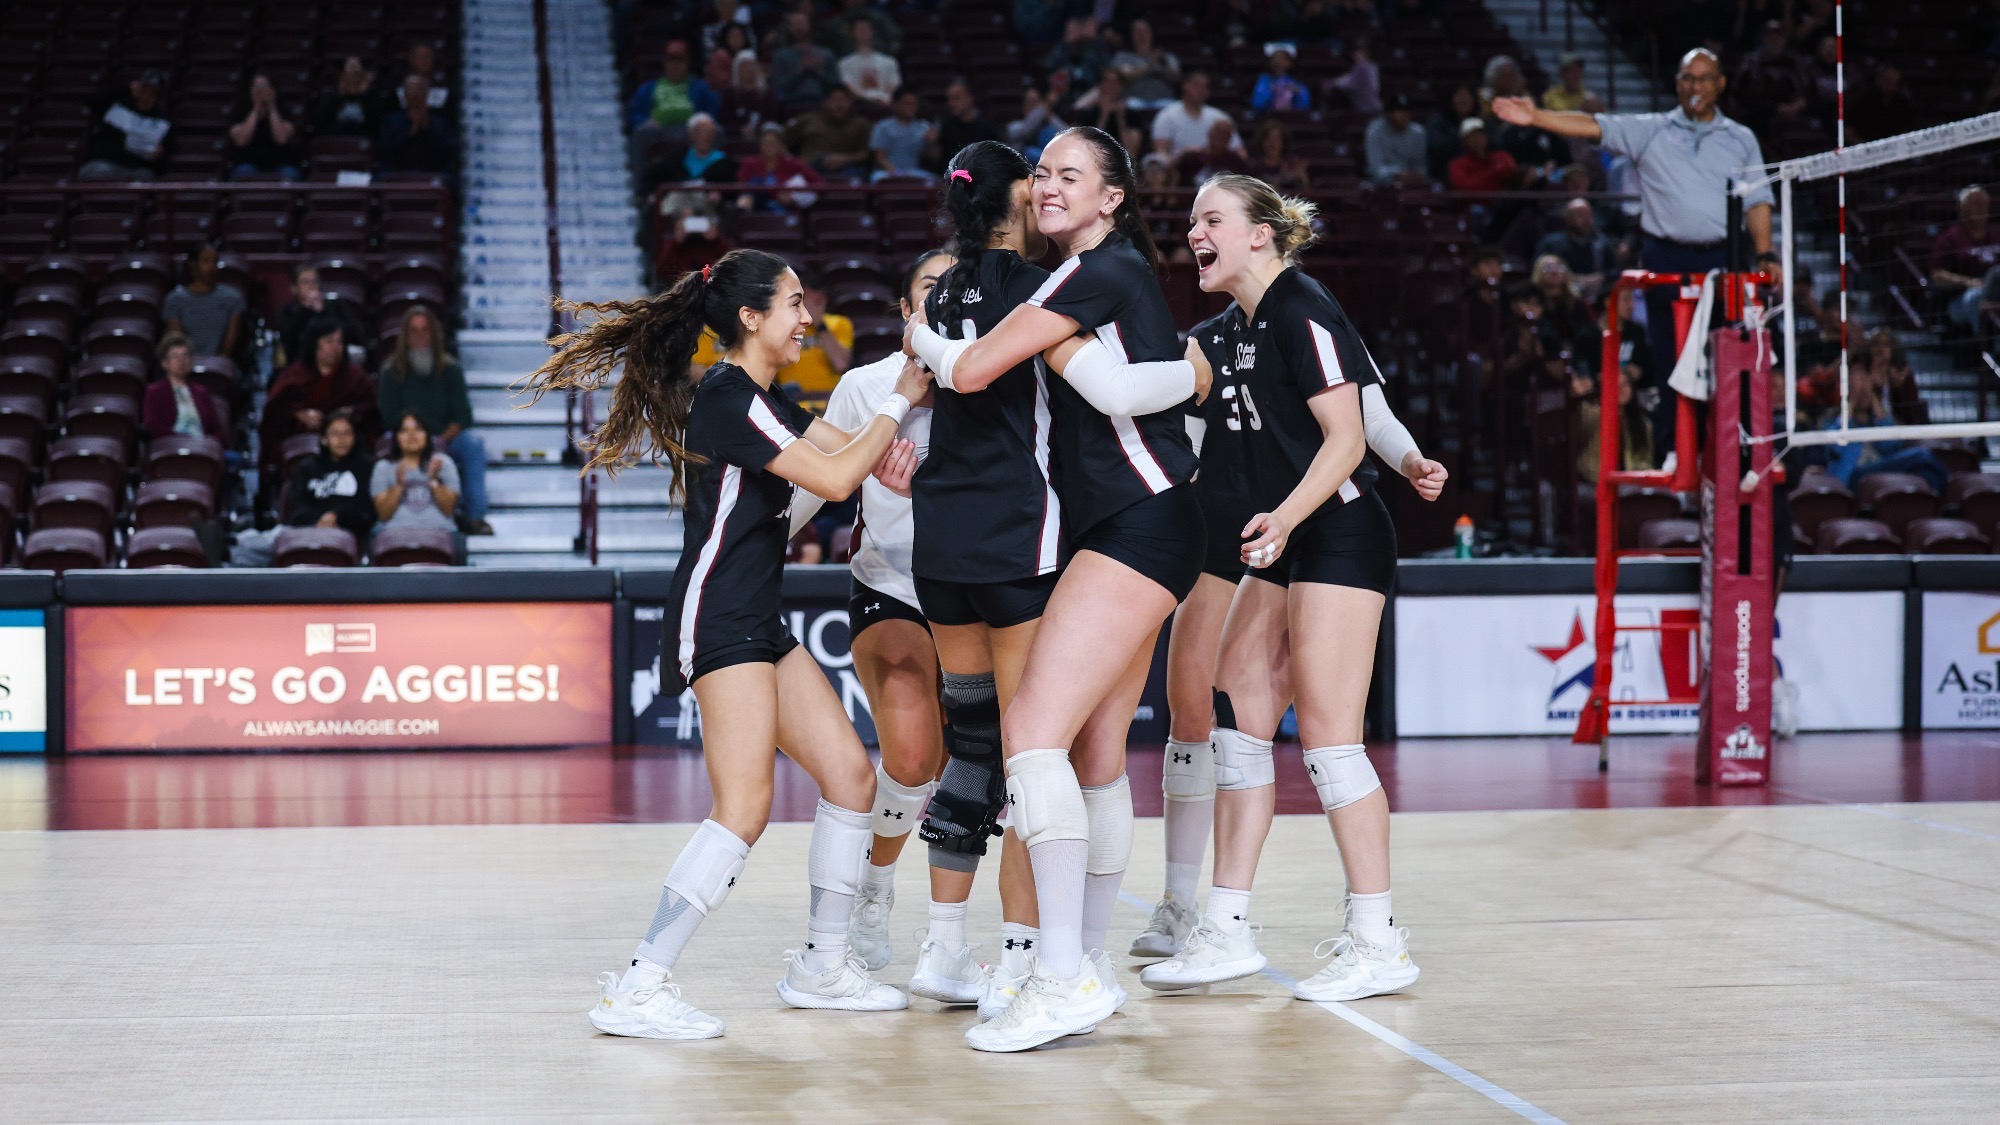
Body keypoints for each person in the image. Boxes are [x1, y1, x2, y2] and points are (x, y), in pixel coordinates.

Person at [521, 249, 928, 1037]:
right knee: (743, 808)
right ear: (750, 318)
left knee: (850, 776)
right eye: (794, 304)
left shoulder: (762, 397)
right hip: (717, 616)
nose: (807, 318)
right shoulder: (728, 393)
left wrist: (889, 461)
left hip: (756, 616)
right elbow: (838, 479)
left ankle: (822, 965)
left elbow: (842, 461)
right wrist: (901, 400)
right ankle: (639, 984)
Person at [906, 127, 1202, 1052]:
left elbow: (973, 368)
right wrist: (1190, 369)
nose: (1048, 186)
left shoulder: (1091, 274)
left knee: (1032, 732)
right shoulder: (1083, 281)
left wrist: (916, 327)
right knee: (1098, 753)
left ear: (1113, 197)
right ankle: (1086, 962)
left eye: (1072, 175)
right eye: (1041, 172)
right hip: (1133, 523)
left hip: (1138, 523)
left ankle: (1061, 970)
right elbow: (1111, 383)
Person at [1132, 213, 1448, 964]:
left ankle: (1377, 940)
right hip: (1275, 533)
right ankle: (1224, 925)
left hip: (1333, 528)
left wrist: (1405, 459)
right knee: (1234, 716)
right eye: (1191, 222)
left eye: (1212, 219)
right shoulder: (1221, 332)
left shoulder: (1304, 306)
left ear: (1262, 234)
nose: (1194, 233)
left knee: (1333, 744)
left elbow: (1353, 426)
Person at [901, 144, 1069, 1018]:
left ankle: (941, 948)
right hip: (1014, 535)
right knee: (1032, 751)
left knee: (973, 744)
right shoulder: (1035, 287)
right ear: (1014, 196)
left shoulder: (937, 291)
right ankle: (1019, 962)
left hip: (940, 545)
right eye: (1035, 182)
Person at [1493, 46, 1776, 464]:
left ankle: (1731, 454)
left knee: (1727, 357)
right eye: (1688, 78)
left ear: (1720, 84)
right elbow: (1592, 126)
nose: (1696, 86)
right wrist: (1535, 116)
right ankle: (1673, 451)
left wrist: (1766, 254)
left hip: (1722, 258)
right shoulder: (1652, 130)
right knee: (1668, 356)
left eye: (1704, 78)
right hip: (1665, 255)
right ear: (1678, 84)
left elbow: (1757, 203)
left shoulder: (1741, 139)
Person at [379, 306, 491, 535]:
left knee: (473, 444)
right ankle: (386, 513)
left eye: (425, 330)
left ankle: (475, 517)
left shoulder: (451, 370)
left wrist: (439, 440)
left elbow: (463, 416)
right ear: (405, 336)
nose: (420, 336)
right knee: (384, 441)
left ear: (434, 334)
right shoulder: (391, 372)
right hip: (406, 438)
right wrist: (415, 438)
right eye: (414, 331)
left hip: (445, 438)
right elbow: (389, 417)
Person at [262, 317, 378, 479]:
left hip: (347, 440)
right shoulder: (294, 376)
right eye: (329, 341)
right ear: (315, 343)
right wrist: (298, 414)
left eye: (339, 342)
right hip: (301, 440)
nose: (335, 347)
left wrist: (350, 413)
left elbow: (372, 410)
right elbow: (274, 412)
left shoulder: (355, 377)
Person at [371, 412, 465, 561]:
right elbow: (383, 514)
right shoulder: (383, 467)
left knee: (458, 543)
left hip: (440, 531)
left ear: (427, 435)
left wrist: (434, 481)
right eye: (404, 430)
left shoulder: (443, 463)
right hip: (393, 534)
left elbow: (448, 509)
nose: (411, 435)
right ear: (396, 437)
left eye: (418, 429)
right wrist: (399, 485)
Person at [287, 410, 378, 541]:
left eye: (347, 433)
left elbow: (366, 510)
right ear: (324, 438)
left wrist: (337, 517)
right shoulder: (306, 467)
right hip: (307, 530)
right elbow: (298, 508)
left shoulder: (366, 466)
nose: (342, 439)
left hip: (352, 533)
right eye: (335, 433)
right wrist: (320, 521)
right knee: (249, 542)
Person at [627, 40, 722, 160]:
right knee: (640, 134)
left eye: (680, 61)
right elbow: (633, 114)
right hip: (659, 129)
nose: (675, 65)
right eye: (672, 61)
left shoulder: (699, 87)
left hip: (689, 129)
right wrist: (646, 121)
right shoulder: (649, 88)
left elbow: (713, 108)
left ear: (687, 63)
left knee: (717, 131)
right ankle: (640, 178)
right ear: (665, 63)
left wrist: (701, 122)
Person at [80, 70, 169, 181]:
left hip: (135, 170)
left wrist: (159, 154)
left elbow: (164, 153)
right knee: (95, 171)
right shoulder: (116, 105)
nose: (146, 96)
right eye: (144, 90)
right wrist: (126, 90)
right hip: (104, 163)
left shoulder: (161, 122)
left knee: (146, 177)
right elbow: (92, 102)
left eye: (152, 92)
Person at [1931, 186, 2000, 330]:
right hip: (1962, 298)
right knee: (1976, 297)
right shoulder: (1950, 238)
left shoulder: (1997, 233)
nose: (1980, 208)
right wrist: (1967, 282)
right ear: (1962, 208)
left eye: (1983, 203)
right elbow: (1937, 275)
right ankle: (1987, 347)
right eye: (1975, 204)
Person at [163, 243, 246, 360]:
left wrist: (215, 367)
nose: (212, 267)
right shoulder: (175, 299)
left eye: (215, 262)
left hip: (221, 366)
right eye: (206, 261)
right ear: (193, 265)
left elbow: (230, 343)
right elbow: (177, 340)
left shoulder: (232, 298)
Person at [275, 262, 366, 370]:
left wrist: (323, 311)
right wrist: (306, 311)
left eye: (314, 281)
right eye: (305, 282)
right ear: (294, 288)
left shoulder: (336, 306)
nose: (311, 286)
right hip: (300, 368)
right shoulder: (288, 312)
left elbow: (354, 334)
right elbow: (288, 340)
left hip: (337, 366)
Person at [143, 334, 226, 442]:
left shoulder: (201, 392)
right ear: (164, 363)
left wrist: (207, 442)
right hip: (171, 446)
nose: (181, 361)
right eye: (175, 356)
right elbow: (152, 425)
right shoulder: (154, 391)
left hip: (203, 447)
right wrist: (183, 440)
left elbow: (215, 429)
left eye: (185, 356)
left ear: (191, 360)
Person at [1534, 198, 1617, 301]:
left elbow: (1615, 270)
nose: (1586, 220)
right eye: (1580, 215)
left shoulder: (1601, 243)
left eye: (1589, 214)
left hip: (1596, 298)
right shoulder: (1551, 244)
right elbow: (1538, 271)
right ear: (1567, 217)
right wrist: (1570, 278)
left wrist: (1601, 277)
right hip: (1561, 299)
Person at [227, 73, 303, 180]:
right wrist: (256, 109)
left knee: (290, 173)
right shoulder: (240, 112)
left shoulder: (284, 112)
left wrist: (271, 107)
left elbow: (281, 139)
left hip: (280, 164)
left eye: (264, 87)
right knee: (243, 172)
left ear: (273, 91)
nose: (260, 92)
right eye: (256, 87)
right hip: (249, 163)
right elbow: (241, 141)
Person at [379, 76, 458, 179]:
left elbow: (448, 152)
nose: (415, 94)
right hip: (397, 171)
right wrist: (411, 132)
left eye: (419, 89)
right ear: (405, 95)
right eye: (411, 90)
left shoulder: (441, 123)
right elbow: (384, 151)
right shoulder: (391, 121)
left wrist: (426, 128)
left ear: (427, 94)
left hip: (432, 171)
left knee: (449, 180)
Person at [787, 86, 872, 181]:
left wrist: (844, 159)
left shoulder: (861, 124)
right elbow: (782, 143)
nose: (839, 105)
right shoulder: (806, 120)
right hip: (810, 167)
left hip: (848, 168)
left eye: (843, 100)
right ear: (825, 102)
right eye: (834, 99)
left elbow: (867, 154)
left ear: (850, 102)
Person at [735, 122, 821, 212]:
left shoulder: (794, 164)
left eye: (772, 143)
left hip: (784, 209)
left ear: (781, 146)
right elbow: (741, 186)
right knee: (754, 182)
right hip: (755, 207)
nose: (768, 147)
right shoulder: (750, 163)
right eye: (765, 143)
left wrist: (793, 197)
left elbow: (819, 184)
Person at [1152, 71, 1239, 158]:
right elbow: (1160, 152)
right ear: (1184, 86)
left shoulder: (1220, 117)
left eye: (1205, 87)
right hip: (1179, 165)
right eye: (1196, 85)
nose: (1201, 90)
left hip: (1215, 166)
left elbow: (1239, 151)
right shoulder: (1167, 115)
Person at [771, 11, 840, 115]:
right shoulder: (781, 56)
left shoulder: (826, 54)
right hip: (793, 106)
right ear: (789, 28)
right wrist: (799, 72)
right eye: (795, 24)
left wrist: (819, 72)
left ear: (810, 25)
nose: (799, 28)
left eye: (802, 23)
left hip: (823, 107)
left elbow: (836, 86)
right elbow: (778, 87)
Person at [935, 80, 1006, 170]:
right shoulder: (945, 126)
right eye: (949, 99)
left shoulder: (987, 127)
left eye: (956, 98)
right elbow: (938, 160)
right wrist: (932, 143)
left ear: (969, 98)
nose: (952, 103)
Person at [1111, 17, 1180, 108]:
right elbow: (1126, 76)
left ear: (1152, 33)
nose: (1141, 35)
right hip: (1133, 101)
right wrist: (1150, 64)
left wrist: (1164, 63)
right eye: (1137, 31)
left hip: (1164, 100)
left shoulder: (1167, 57)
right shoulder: (1122, 57)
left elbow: (1176, 79)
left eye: (1145, 31)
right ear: (1131, 35)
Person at [870, 89, 935, 182]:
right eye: (906, 103)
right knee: (877, 179)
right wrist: (897, 174)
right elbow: (880, 157)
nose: (911, 107)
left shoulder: (924, 126)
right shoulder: (883, 127)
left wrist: (931, 142)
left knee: (933, 182)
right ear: (895, 105)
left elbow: (933, 156)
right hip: (887, 172)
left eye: (914, 104)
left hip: (914, 172)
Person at [1364, 92, 1428, 185]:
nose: (1404, 115)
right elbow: (1375, 169)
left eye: (1407, 111)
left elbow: (1420, 166)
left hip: (1409, 183)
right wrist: (1397, 173)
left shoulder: (1418, 133)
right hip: (1380, 185)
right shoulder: (1375, 131)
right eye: (1399, 111)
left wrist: (1415, 175)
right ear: (1389, 113)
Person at [315, 57, 384, 138]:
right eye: (349, 68)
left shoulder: (371, 95)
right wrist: (339, 94)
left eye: (356, 68)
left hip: (363, 137)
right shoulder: (332, 94)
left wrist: (364, 94)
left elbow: (377, 123)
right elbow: (320, 121)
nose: (353, 72)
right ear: (342, 74)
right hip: (336, 138)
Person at [837, 19, 900, 105]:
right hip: (859, 105)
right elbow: (848, 86)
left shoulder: (889, 61)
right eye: (860, 29)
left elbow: (894, 84)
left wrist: (886, 99)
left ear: (873, 31)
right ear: (853, 33)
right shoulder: (844, 63)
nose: (864, 32)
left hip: (885, 104)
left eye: (866, 28)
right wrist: (868, 100)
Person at [1176, 117, 1253, 186]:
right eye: (1218, 133)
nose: (1221, 137)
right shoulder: (1192, 158)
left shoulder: (1236, 162)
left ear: (1230, 138)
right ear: (1209, 134)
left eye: (1225, 134)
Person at [1447, 118, 1517, 192]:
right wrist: (1493, 174)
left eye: (1480, 134)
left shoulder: (1501, 156)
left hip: (1501, 201)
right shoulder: (1458, 165)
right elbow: (1466, 187)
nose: (1477, 138)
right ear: (1464, 141)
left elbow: (1509, 170)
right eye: (1472, 136)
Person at [1251, 44, 1312, 113]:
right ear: (1270, 62)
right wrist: (1270, 92)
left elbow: (1305, 107)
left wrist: (1298, 94)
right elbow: (1257, 105)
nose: (1278, 62)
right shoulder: (1264, 81)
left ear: (1290, 63)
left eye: (1283, 59)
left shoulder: (1296, 83)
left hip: (1291, 119)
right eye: (1275, 58)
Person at [1328, 38, 1378, 115]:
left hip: (1366, 105)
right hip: (1371, 104)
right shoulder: (1372, 66)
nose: (1354, 55)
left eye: (1359, 52)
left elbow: (1349, 83)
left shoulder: (1362, 66)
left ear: (1365, 53)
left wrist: (1333, 82)